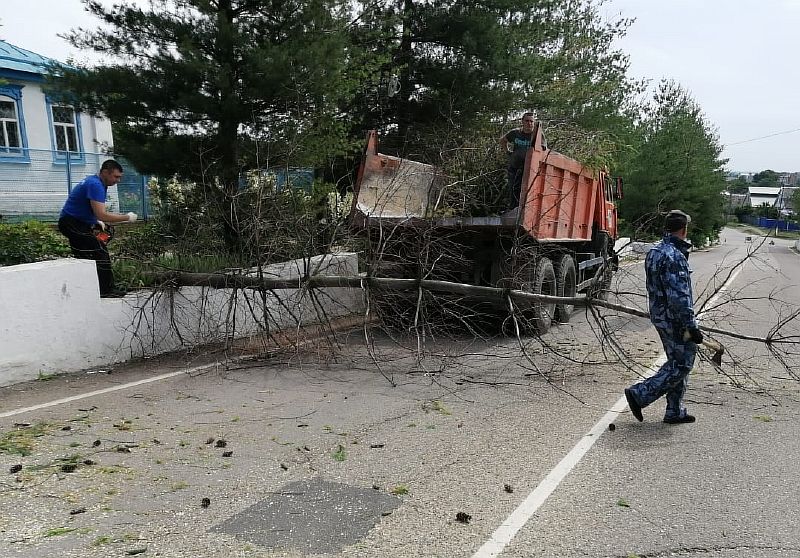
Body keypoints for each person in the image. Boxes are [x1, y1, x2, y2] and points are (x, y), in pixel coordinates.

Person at [624, 209, 703, 424]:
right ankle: (640, 394)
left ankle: (674, 411)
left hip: (660, 316)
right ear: (684, 229)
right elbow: (678, 297)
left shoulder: (656, 251)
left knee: (676, 360)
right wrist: (690, 325)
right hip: (675, 320)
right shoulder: (674, 256)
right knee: (682, 364)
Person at [58, 159, 137, 297]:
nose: (118, 180)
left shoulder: (97, 182)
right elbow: (102, 213)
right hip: (72, 223)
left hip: (76, 222)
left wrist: (96, 222)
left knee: (85, 256)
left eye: (120, 177)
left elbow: (90, 209)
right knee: (99, 251)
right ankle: (106, 290)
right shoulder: (95, 184)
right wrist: (127, 217)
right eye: (116, 176)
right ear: (105, 172)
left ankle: (90, 289)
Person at [499, 112, 535, 209]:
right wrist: (508, 152)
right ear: (522, 122)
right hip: (514, 168)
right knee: (513, 189)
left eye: (531, 121)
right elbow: (503, 140)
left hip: (529, 169)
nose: (529, 123)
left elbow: (544, 150)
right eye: (527, 121)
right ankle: (513, 210)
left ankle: (524, 210)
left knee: (527, 191)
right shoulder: (515, 133)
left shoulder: (536, 136)